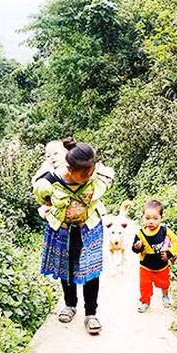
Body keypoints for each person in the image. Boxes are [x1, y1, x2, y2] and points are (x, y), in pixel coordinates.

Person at [33, 137, 114, 334]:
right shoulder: (50, 181)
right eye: (83, 174)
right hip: (63, 230)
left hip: (90, 228)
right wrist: (48, 206)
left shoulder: (95, 174)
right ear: (69, 169)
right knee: (66, 268)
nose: (88, 177)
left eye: (91, 172)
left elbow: (108, 177)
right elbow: (41, 195)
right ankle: (70, 305)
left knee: (91, 271)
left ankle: (91, 314)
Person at [132, 200, 177, 313]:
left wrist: (169, 253)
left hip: (162, 265)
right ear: (143, 217)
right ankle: (145, 302)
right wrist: (137, 247)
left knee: (164, 283)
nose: (151, 222)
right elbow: (134, 249)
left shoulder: (164, 230)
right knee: (145, 286)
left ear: (161, 218)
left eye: (155, 218)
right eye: (147, 218)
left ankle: (165, 296)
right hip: (145, 266)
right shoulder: (140, 233)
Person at [31, 140, 68, 219]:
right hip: (56, 211)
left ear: (65, 153)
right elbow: (36, 185)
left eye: (56, 153)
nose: (52, 157)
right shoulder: (46, 168)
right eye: (48, 156)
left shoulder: (73, 164)